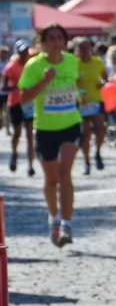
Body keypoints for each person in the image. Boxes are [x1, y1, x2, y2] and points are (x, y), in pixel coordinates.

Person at [17, 25, 84, 247]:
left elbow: (77, 82)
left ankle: (67, 223)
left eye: (60, 38)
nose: (56, 42)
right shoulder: (34, 66)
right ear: (43, 42)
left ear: (65, 41)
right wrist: (45, 82)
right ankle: (53, 218)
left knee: (65, 172)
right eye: (51, 38)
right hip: (45, 129)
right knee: (51, 179)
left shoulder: (72, 61)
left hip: (70, 124)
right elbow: (24, 97)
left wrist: (81, 95)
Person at [73, 37, 107, 174]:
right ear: (77, 50)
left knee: (100, 129)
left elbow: (105, 78)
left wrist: (102, 83)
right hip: (81, 102)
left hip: (96, 100)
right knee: (85, 134)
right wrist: (79, 93)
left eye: (87, 47)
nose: (85, 50)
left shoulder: (98, 62)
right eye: (81, 48)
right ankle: (86, 162)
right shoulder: (74, 64)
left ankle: (97, 152)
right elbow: (73, 81)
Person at [4, 43, 33, 176]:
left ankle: (30, 165)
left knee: (30, 135)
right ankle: (14, 154)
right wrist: (19, 87)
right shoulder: (11, 66)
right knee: (17, 133)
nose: (26, 53)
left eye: (27, 50)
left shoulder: (32, 65)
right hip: (15, 103)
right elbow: (4, 87)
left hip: (29, 103)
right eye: (23, 51)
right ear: (18, 52)